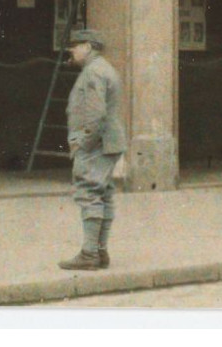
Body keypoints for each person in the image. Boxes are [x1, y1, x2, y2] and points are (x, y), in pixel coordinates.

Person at [59, 28, 125, 271]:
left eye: (75, 46)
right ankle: (100, 252)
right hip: (108, 141)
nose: (72, 51)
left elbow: (95, 115)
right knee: (104, 194)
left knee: (89, 193)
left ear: (88, 46)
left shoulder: (93, 72)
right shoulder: (104, 68)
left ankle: (89, 254)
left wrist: (82, 143)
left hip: (96, 143)